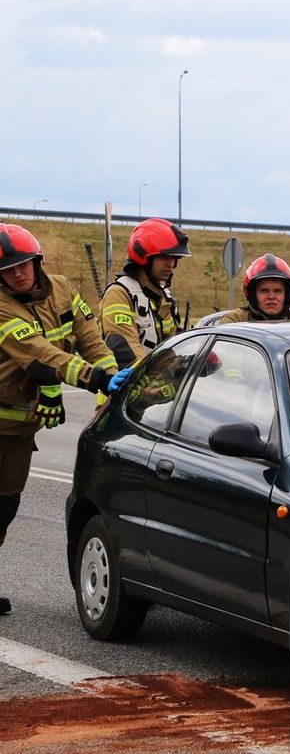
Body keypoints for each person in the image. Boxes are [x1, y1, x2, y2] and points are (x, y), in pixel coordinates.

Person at [0, 224, 127, 615]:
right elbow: (41, 355)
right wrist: (96, 378)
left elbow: (90, 340)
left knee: (4, 509)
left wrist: (113, 386)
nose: (18, 273)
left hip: (18, 428)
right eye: (8, 270)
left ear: (37, 261)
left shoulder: (63, 288)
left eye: (24, 264)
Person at [98, 217, 190, 369]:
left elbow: (171, 352)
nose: (171, 264)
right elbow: (125, 350)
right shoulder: (119, 295)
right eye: (164, 257)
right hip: (131, 391)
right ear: (143, 256)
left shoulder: (163, 298)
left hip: (158, 389)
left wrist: (194, 361)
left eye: (174, 258)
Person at [218, 253, 290, 323]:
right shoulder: (234, 321)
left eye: (277, 291)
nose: (271, 297)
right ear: (253, 294)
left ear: (287, 295)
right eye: (264, 291)